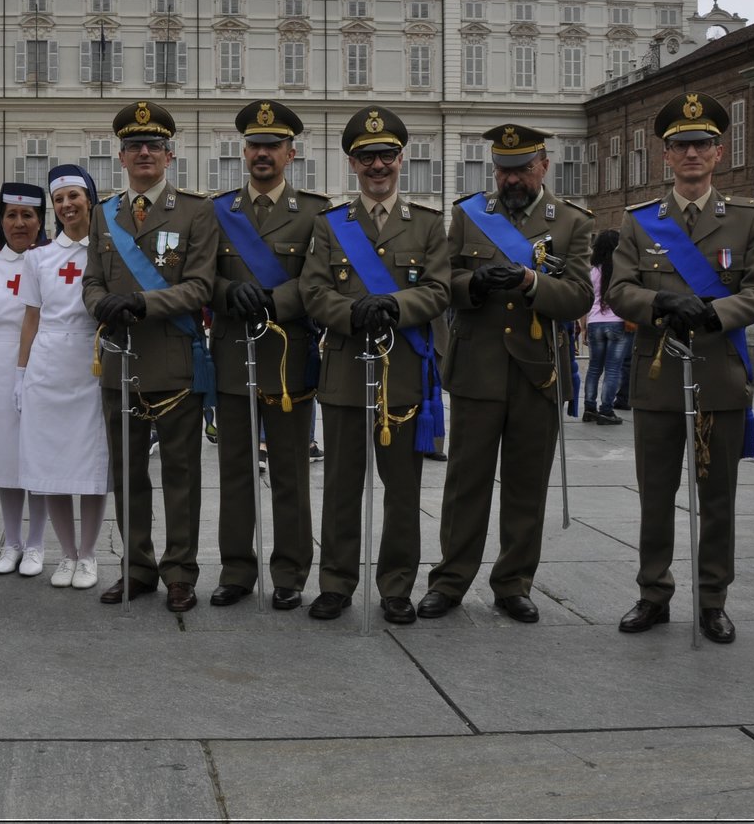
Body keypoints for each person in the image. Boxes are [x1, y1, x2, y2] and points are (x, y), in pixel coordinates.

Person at [607, 91, 754, 644]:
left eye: (701, 145)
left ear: (719, 152)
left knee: (718, 499)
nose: (691, 154)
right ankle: (653, 592)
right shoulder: (639, 223)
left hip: (717, 374)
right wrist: (659, 305)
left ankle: (713, 600)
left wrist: (713, 312)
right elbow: (618, 289)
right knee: (655, 495)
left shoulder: (746, 219)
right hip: (657, 375)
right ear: (666, 156)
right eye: (681, 146)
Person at [417, 124, 593, 624]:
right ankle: (449, 581)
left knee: (525, 485)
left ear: (543, 167)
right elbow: (442, 279)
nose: (511, 180)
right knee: (464, 484)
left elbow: (580, 295)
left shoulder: (572, 223)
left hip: (539, 372)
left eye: (521, 170)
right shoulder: (469, 215)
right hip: (477, 368)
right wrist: (472, 283)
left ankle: (514, 583)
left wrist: (532, 280)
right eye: (503, 171)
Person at [299, 106, 450, 622]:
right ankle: (337, 583)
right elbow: (313, 291)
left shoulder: (427, 225)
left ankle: (396, 586)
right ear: (353, 163)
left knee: (403, 491)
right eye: (367, 157)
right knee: (341, 486)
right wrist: (351, 311)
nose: (377, 165)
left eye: (386, 155)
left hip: (403, 371)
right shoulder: (330, 225)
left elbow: (438, 289)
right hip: (343, 369)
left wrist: (395, 306)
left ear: (401, 159)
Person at [83, 100, 219, 613]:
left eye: (154, 146)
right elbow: (91, 281)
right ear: (121, 157)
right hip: (120, 362)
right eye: (135, 146)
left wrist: (141, 302)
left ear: (170, 155)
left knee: (182, 474)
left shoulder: (194, 211)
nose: (144, 153)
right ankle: (136, 568)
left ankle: (180, 572)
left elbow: (200, 286)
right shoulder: (105, 213)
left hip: (174, 359)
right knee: (127, 473)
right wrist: (101, 304)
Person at [208, 99, 327, 611]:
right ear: (244, 151)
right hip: (233, 353)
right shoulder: (217, 213)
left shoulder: (317, 213)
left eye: (272, 146)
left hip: (287, 356)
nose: (263, 154)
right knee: (235, 469)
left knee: (289, 471)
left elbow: (321, 281)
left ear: (290, 153)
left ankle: (290, 572)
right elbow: (197, 276)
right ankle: (236, 569)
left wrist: (275, 301)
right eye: (255, 145)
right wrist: (223, 292)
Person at [18, 164, 109, 589]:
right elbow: (31, 320)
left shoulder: (106, 250)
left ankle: (89, 556)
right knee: (51, 465)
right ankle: (66, 553)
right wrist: (21, 376)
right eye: (59, 199)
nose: (67, 205)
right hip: (48, 365)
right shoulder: (38, 258)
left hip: (90, 363)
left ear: (89, 198)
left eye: (73, 196)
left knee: (90, 465)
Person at [0, 182, 50, 576]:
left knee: (35, 455)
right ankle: (11, 542)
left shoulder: (51, 260)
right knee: (4, 457)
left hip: (40, 362)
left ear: (40, 221)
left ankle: (36, 543)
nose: (19, 224)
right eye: (11, 215)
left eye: (28, 216)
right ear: (1, 220)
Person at [582, 229, 632, 426]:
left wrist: (584, 327)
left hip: (594, 322)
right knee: (613, 369)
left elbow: (587, 299)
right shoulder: (620, 270)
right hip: (617, 322)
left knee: (594, 368)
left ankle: (589, 408)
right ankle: (606, 410)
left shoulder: (592, 270)